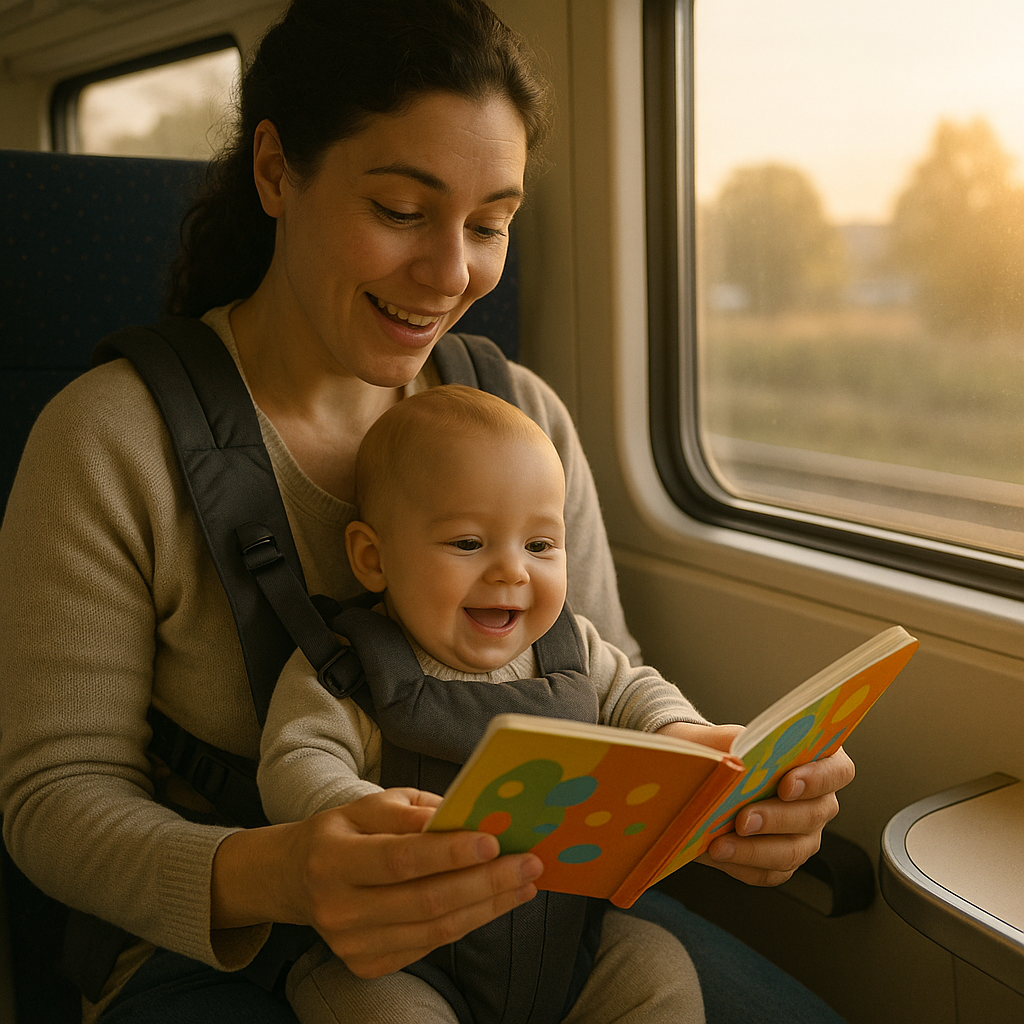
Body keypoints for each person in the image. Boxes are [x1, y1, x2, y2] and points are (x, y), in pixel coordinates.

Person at [0, 2, 854, 1023]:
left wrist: (716, 795)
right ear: (275, 172)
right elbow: (51, 800)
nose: (453, 275)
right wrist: (277, 873)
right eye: (402, 211)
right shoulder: (108, 438)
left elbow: (593, 684)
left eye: (489, 225)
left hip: (536, 923)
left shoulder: (524, 415)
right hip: (238, 945)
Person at [258, 384, 727, 1024]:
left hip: (567, 948)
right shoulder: (348, 664)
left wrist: (681, 733)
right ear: (373, 558)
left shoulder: (571, 648)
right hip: (399, 960)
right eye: (468, 543)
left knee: (656, 969)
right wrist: (363, 815)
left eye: (540, 546)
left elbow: (635, 691)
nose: (513, 572)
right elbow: (296, 759)